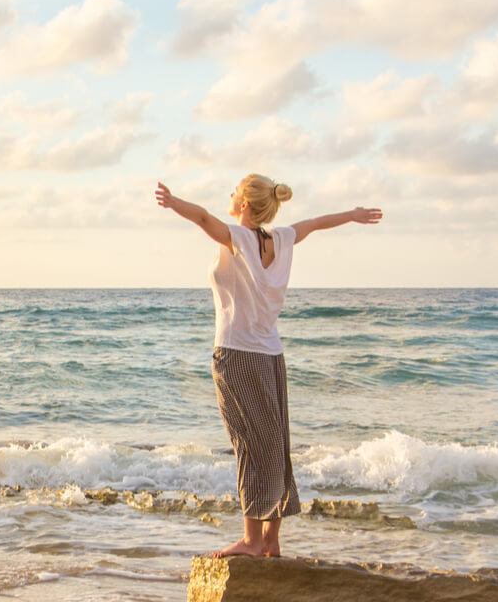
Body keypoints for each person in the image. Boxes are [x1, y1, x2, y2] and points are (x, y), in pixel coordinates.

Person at [155, 175, 382, 558]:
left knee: (250, 445)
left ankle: (251, 541)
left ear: (244, 203)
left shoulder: (238, 238)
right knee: (275, 445)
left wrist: (175, 202)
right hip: (272, 356)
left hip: (236, 355)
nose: (229, 196)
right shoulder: (282, 239)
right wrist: (353, 215)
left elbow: (203, 218)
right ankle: (271, 539)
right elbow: (316, 222)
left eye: (234, 191)